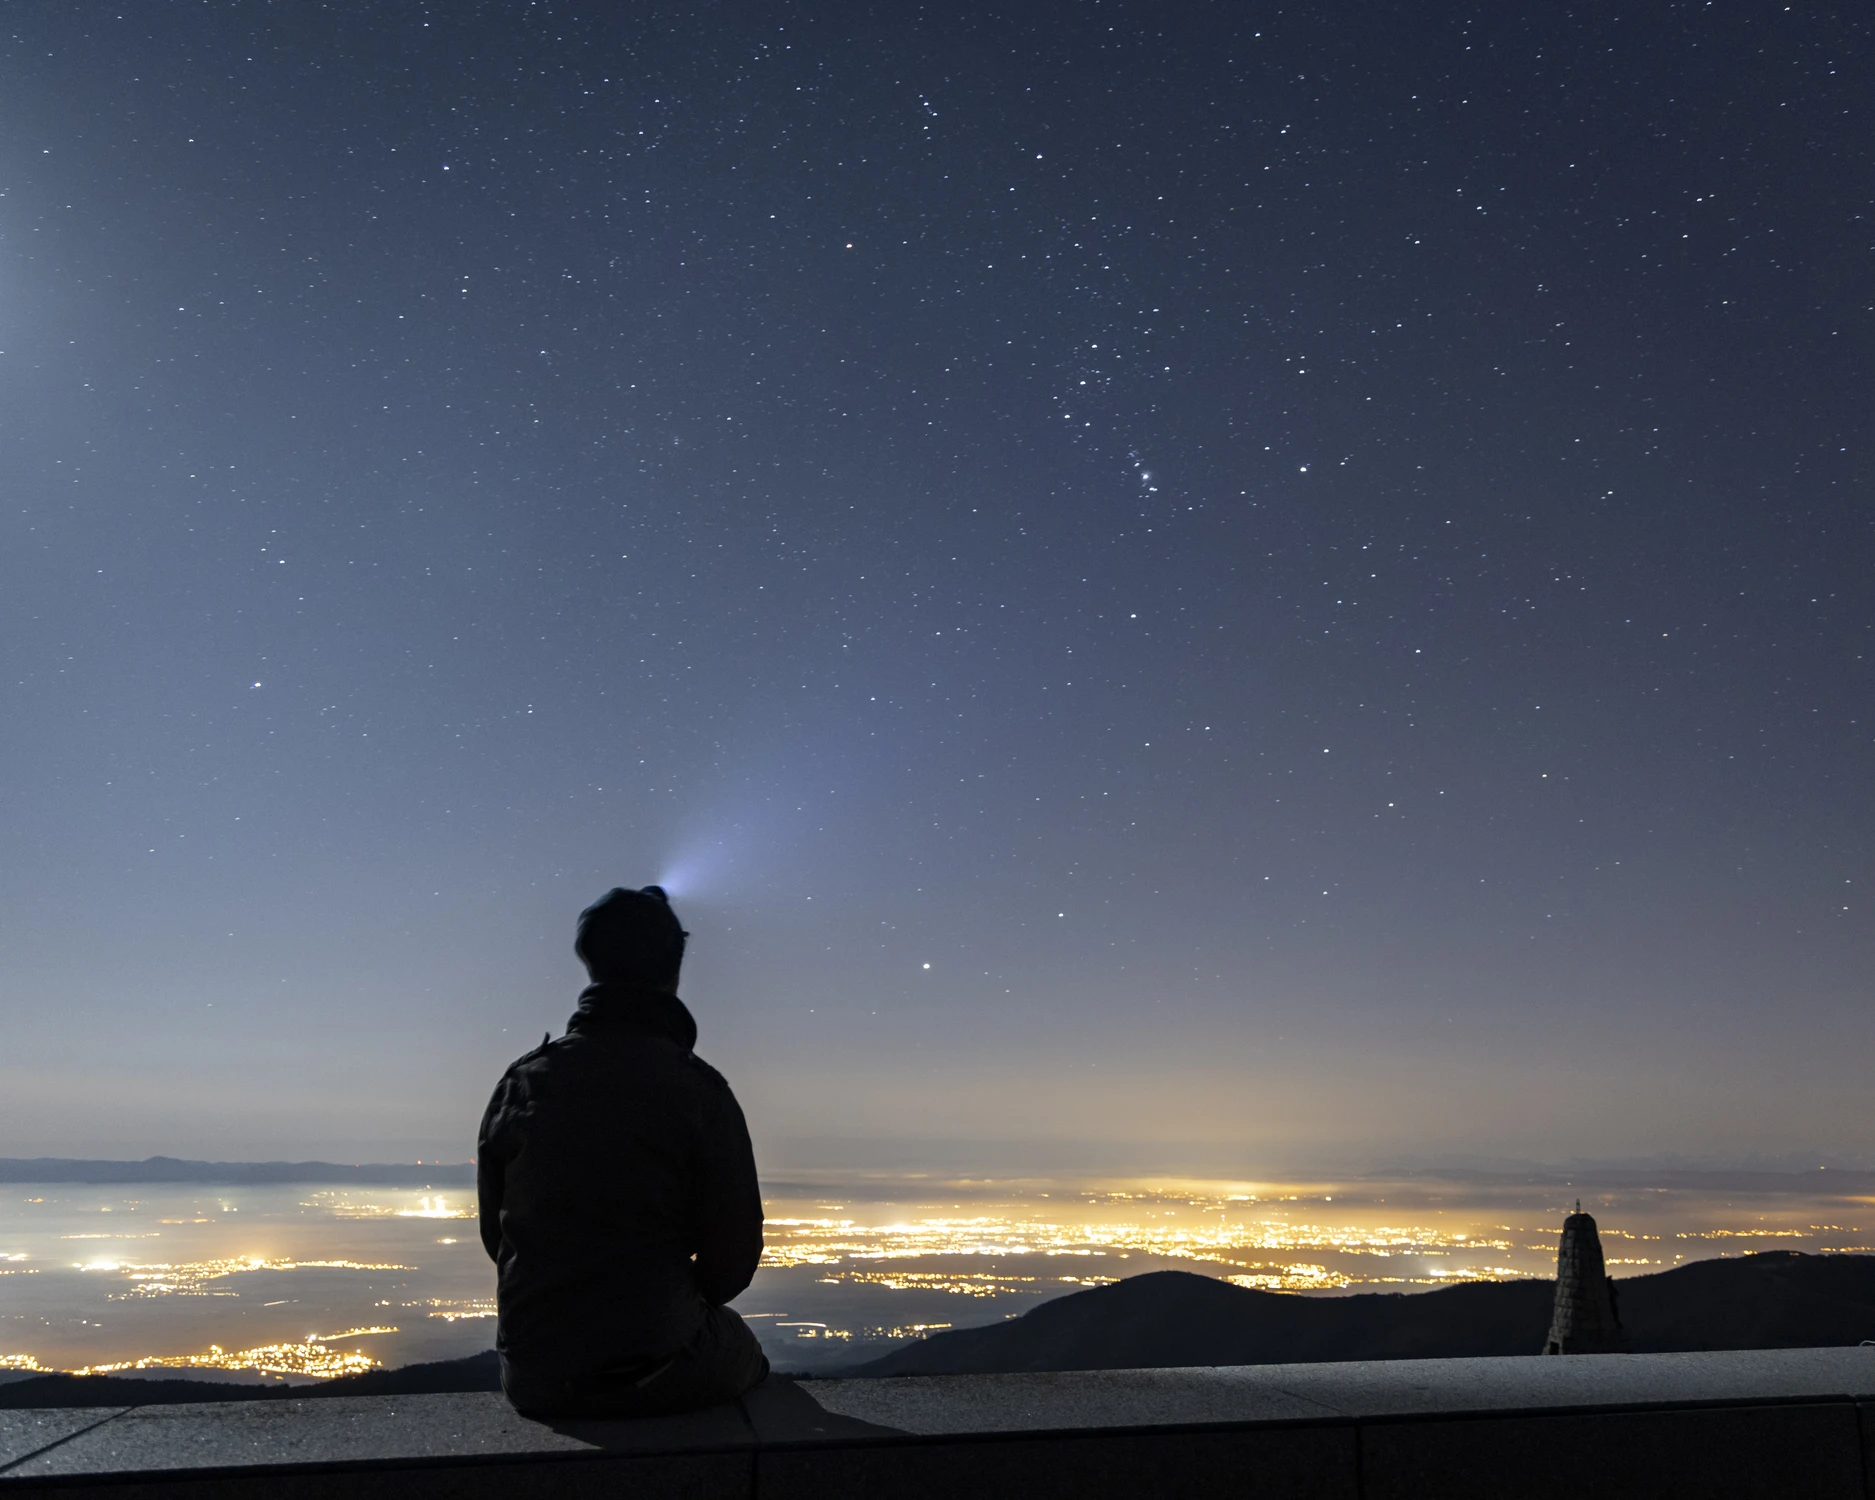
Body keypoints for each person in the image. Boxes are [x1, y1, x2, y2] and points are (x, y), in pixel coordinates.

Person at [477, 885, 768, 1418]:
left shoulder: (524, 1081)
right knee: (745, 1352)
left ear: (591, 966)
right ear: (673, 972)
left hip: (533, 1375)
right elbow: (731, 1264)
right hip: (653, 1368)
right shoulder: (699, 1090)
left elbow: (497, 1236)